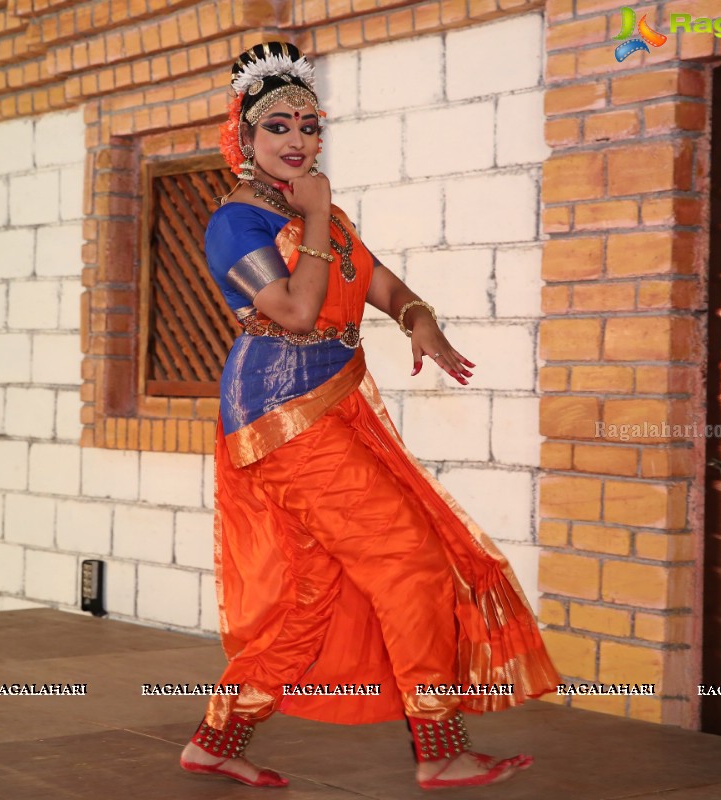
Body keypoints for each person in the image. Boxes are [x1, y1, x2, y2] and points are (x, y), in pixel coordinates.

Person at [177, 43, 561, 791]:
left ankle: (218, 738)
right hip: (281, 414)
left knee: (317, 589)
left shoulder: (321, 212)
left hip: (333, 406)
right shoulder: (237, 223)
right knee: (409, 559)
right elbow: (293, 310)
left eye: (309, 125)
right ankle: (438, 745)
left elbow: (372, 277)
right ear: (244, 138)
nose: (297, 140)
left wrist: (418, 316)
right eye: (278, 126)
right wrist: (317, 214)